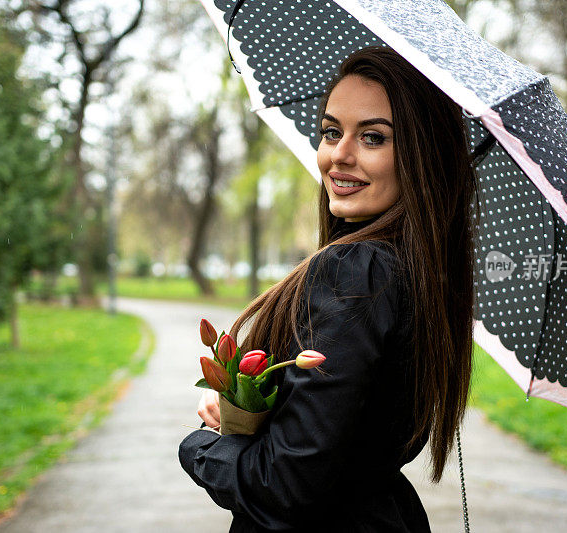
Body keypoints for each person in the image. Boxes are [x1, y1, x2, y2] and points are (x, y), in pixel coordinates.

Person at [179, 46, 477, 532]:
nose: (340, 154)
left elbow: (285, 484)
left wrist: (201, 447)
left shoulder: (356, 272)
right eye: (332, 132)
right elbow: (345, 436)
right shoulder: (416, 272)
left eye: (374, 138)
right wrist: (252, 415)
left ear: (422, 156)